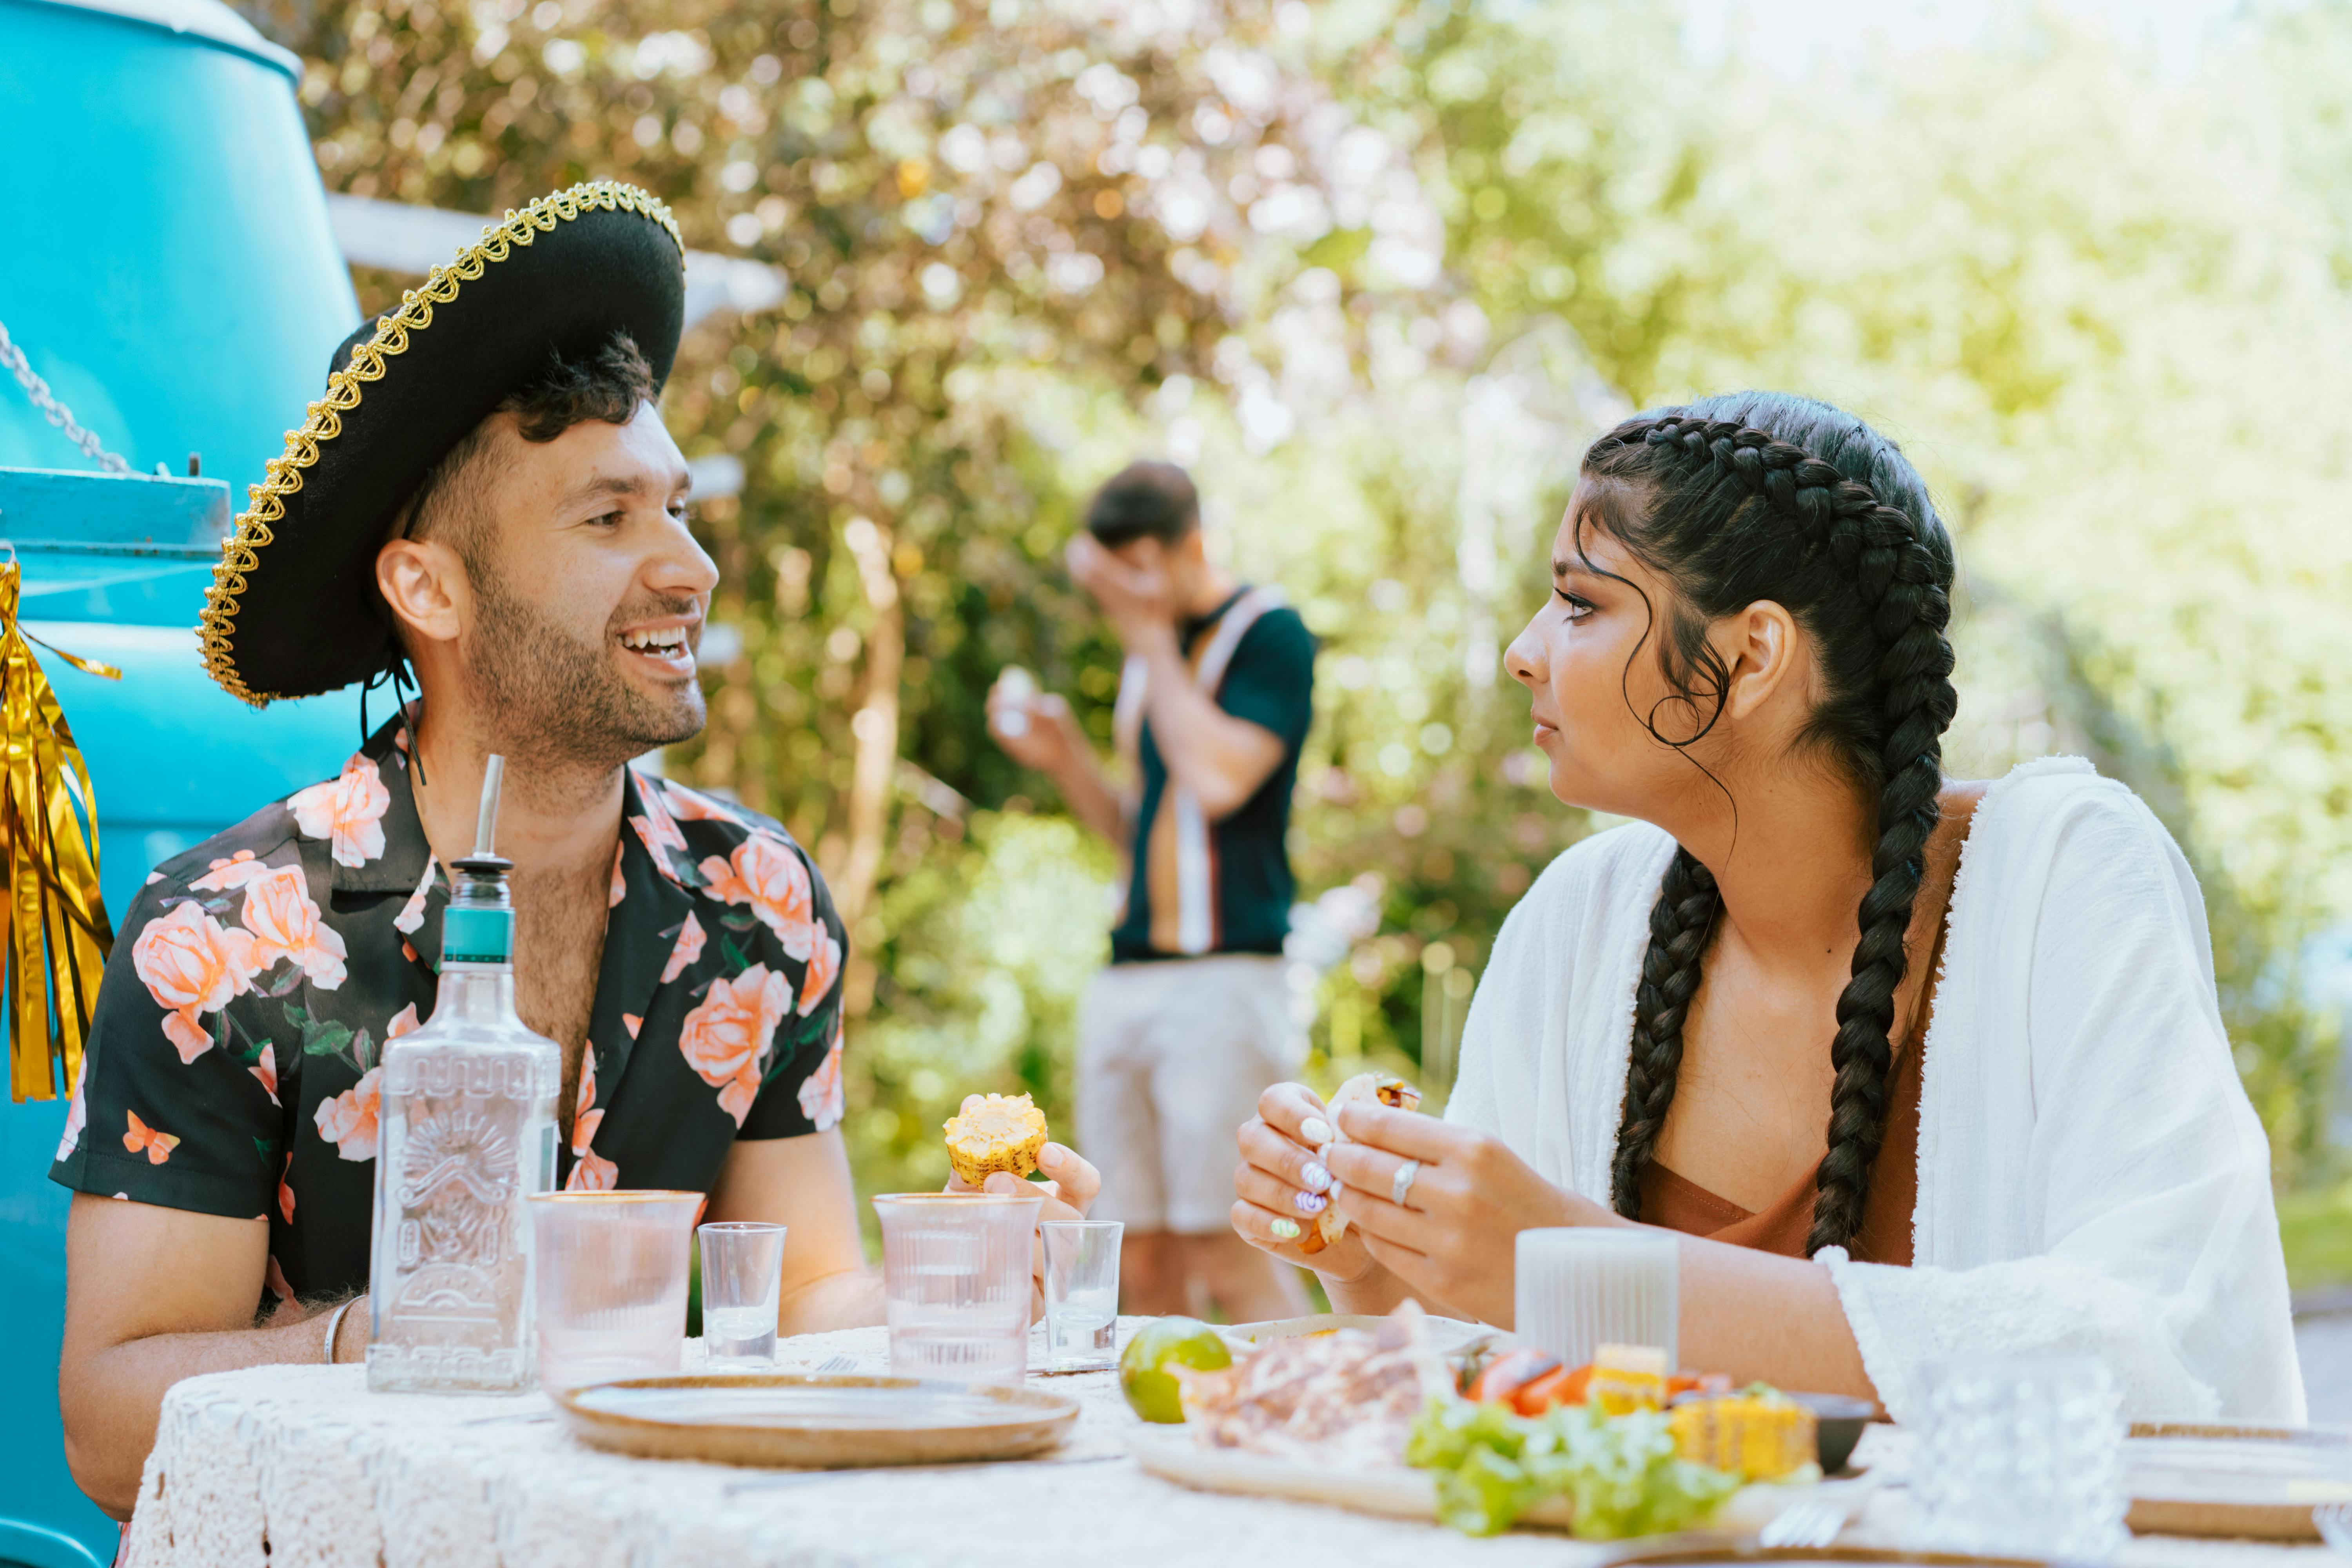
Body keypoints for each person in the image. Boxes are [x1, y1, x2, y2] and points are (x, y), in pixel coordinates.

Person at [51, 183, 1096, 1518]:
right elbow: (107, 1427)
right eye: (609, 520)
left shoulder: (760, 904)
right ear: (427, 586)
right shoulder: (230, 931)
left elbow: (811, 1300)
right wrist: (382, 1341)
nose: (691, 567)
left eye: (678, 508)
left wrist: (965, 1277)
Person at [1231, 394, 2305, 1423]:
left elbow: (2157, 1349)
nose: (1525, 650)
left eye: (1580, 604)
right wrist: (1376, 1258)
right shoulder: (1577, 925)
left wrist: (1585, 1268)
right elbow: (1503, 1392)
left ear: (1750, 657)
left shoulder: (2064, 875)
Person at [988, 461, 1314, 1321]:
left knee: (1230, 1239)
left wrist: (1146, 636)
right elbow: (1144, 830)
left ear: (1190, 547)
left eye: (1136, 572)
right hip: (1128, 976)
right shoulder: (1151, 654)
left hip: (1225, 976)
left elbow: (1218, 781)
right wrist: (1065, 758)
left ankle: (1311, 1407)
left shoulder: (1269, 633)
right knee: (1133, 1253)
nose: (1123, 597)